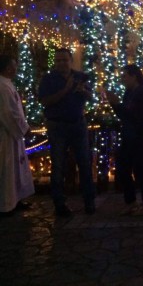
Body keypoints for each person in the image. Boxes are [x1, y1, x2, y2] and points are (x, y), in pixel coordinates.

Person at [38, 48, 95, 216]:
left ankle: (89, 202)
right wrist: (66, 89)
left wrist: (83, 91)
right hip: (58, 126)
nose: (61, 63)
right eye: (58, 60)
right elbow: (45, 101)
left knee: (84, 163)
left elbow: (91, 97)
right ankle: (60, 204)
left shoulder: (80, 76)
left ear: (71, 61)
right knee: (58, 165)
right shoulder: (48, 79)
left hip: (78, 124)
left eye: (64, 60)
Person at [106, 65, 143, 214]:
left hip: (141, 136)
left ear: (134, 76)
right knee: (123, 167)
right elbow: (125, 114)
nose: (122, 79)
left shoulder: (142, 93)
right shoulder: (129, 92)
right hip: (129, 136)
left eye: (125, 76)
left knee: (140, 169)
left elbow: (133, 115)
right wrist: (116, 106)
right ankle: (131, 201)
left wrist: (116, 104)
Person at [0, 55, 35, 217]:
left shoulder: (7, 84)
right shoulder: (3, 86)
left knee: (16, 167)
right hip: (7, 136)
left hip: (13, 134)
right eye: (14, 65)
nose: (16, 68)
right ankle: (7, 203)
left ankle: (16, 199)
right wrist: (24, 128)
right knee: (8, 168)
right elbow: (9, 113)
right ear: (8, 68)